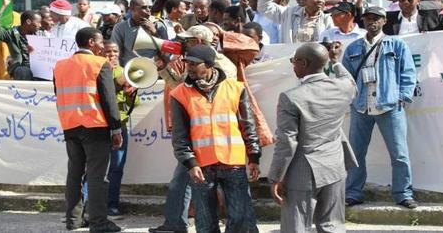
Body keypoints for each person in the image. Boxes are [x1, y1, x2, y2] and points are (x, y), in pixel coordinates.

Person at [149, 26, 237, 233]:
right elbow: (182, 88)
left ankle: (239, 225)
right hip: (199, 134)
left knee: (222, 185)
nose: (183, 44)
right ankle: (175, 223)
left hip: (215, 137)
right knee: (182, 180)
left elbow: (197, 92)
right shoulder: (198, 65)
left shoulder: (223, 66)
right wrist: (164, 69)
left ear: (198, 41)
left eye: (187, 40)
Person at [169, 44, 261, 233]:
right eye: (187, 63)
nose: (190, 67)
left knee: (240, 218)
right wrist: (190, 163)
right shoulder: (179, 94)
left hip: (233, 163)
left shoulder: (235, 88)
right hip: (201, 166)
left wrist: (254, 157)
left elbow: (248, 126)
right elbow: (180, 136)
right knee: (205, 223)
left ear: (210, 65)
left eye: (195, 64)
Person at [268, 42, 357, 233]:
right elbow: (350, 81)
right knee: (332, 226)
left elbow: (287, 143)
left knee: (297, 227)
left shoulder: (291, 97)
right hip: (334, 166)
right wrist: (336, 61)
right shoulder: (343, 88)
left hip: (302, 171)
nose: (293, 65)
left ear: (304, 63)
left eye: (294, 61)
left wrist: (275, 177)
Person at [342, 6, 418, 209]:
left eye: (376, 18)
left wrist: (402, 96)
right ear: (363, 21)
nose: (371, 22)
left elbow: (408, 73)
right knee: (356, 154)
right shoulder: (352, 48)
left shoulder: (396, 44)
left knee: (399, 153)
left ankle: (403, 193)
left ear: (384, 21)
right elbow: (345, 77)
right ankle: (353, 193)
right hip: (361, 107)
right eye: (368, 18)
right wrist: (350, 98)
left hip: (389, 105)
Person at [54, 27, 122, 232]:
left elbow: (59, 94)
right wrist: (116, 129)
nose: (103, 46)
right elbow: (109, 100)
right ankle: (99, 222)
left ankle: (73, 220)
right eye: (101, 42)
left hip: (70, 126)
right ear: (91, 42)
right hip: (95, 126)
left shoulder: (60, 66)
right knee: (97, 176)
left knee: (74, 174)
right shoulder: (100, 64)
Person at [104, 40, 139, 219]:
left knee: (116, 168)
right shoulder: (97, 70)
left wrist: (130, 94)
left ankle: (112, 205)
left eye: (115, 51)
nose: (112, 55)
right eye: (108, 51)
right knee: (96, 168)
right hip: (101, 126)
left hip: (120, 125)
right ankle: (87, 206)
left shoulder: (126, 71)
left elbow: (135, 103)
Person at [0, 0, 41, 80]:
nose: (40, 25)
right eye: (38, 22)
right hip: (20, 69)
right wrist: (3, 6)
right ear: (28, 22)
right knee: (23, 71)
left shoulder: (40, 35)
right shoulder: (11, 34)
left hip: (38, 68)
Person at [111, 0, 168, 67]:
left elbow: (167, 50)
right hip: (130, 69)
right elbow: (116, 52)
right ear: (132, 9)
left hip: (152, 69)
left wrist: (154, 33)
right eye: (144, 7)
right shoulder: (120, 27)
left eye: (149, 7)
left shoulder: (158, 25)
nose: (148, 10)